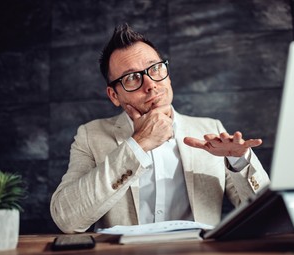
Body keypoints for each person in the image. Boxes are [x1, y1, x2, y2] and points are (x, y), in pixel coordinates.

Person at [50, 23, 270, 233]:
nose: (151, 84)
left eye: (155, 69)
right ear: (114, 95)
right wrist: (138, 144)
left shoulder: (210, 128)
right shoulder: (91, 136)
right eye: (132, 77)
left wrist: (239, 161)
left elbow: (265, 218)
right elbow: (67, 220)